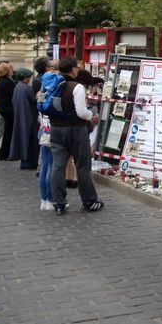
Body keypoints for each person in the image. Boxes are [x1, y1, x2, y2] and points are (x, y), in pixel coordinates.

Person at [49, 57, 104, 215]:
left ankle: (59, 202)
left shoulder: (53, 84)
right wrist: (90, 116)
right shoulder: (76, 86)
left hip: (56, 128)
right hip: (75, 130)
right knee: (82, 166)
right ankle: (89, 201)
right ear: (73, 70)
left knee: (58, 166)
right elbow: (81, 111)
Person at [37, 59, 59, 212]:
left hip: (43, 129)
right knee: (51, 165)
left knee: (44, 165)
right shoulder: (57, 86)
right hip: (53, 129)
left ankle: (43, 200)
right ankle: (51, 199)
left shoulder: (42, 87)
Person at [8, 68, 40, 170]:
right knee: (31, 141)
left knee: (23, 138)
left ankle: (25, 162)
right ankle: (29, 163)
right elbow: (34, 100)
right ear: (26, 78)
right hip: (29, 117)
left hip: (20, 115)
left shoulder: (17, 87)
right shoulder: (27, 88)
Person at [0, 62, 16, 161]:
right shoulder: (7, 82)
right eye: (10, 69)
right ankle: (5, 154)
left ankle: (5, 153)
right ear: (6, 71)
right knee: (9, 132)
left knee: (8, 130)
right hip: (8, 109)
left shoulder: (1, 81)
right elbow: (14, 94)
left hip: (3, 108)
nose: (12, 70)